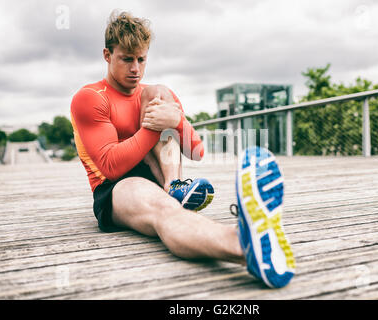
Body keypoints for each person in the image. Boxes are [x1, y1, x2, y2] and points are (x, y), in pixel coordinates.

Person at [70, 10, 295, 288]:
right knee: (167, 212)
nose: (136, 69)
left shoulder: (151, 94)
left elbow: (196, 151)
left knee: (159, 93)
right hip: (117, 188)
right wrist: (154, 127)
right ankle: (243, 246)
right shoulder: (90, 98)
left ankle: (174, 185)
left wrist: (175, 121)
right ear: (107, 55)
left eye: (141, 59)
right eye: (126, 59)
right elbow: (111, 166)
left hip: (159, 173)